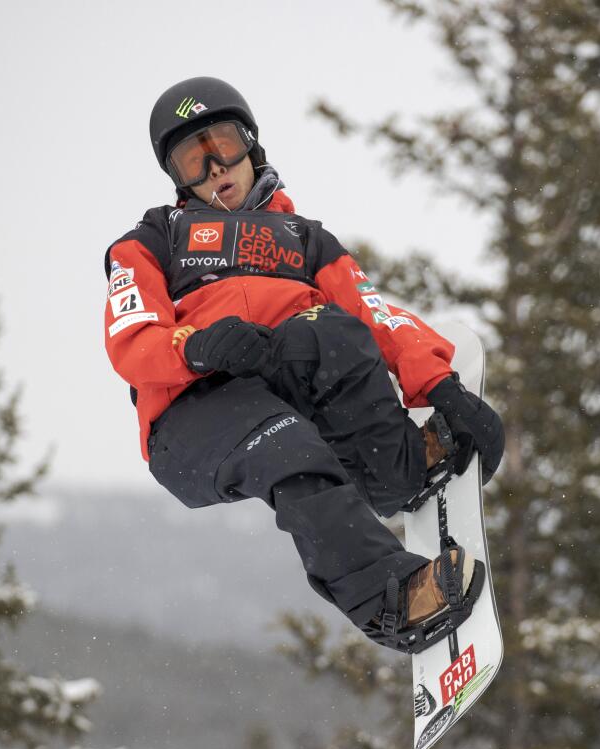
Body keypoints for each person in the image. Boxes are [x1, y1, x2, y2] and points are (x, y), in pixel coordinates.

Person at [103, 76, 505, 652]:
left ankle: (395, 465)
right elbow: (131, 338)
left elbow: (373, 315)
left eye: (225, 144)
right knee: (285, 446)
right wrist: (197, 346)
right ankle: (389, 599)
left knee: (334, 332)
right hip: (193, 413)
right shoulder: (152, 240)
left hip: (279, 379)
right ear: (177, 178)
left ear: (251, 145)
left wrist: (441, 388)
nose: (217, 168)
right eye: (195, 160)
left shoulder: (304, 241)